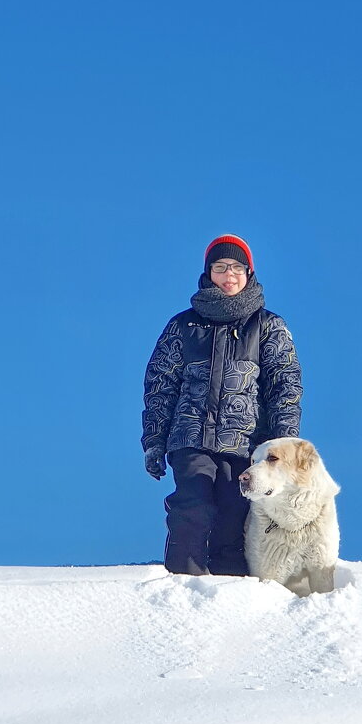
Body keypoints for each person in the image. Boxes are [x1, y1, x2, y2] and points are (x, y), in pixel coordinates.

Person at [141, 234, 303, 576]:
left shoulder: (268, 326)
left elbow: (284, 386)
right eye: (220, 267)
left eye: (236, 267)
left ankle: (231, 594)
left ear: (249, 273)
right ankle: (184, 584)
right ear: (208, 273)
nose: (228, 275)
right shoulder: (182, 326)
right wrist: (154, 441)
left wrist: (282, 447)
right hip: (190, 437)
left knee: (235, 511)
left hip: (245, 443)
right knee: (193, 506)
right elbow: (160, 386)